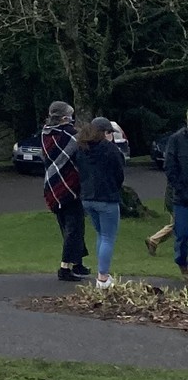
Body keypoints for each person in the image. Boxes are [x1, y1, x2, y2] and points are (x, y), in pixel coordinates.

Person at [40, 100, 90, 281]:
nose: (72, 119)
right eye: (70, 115)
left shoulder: (45, 133)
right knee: (74, 227)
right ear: (64, 117)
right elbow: (81, 149)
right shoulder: (70, 135)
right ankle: (65, 268)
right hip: (69, 185)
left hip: (51, 185)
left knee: (68, 225)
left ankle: (77, 263)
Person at [74, 117, 126, 289]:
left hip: (87, 198)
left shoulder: (82, 148)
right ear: (105, 132)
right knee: (108, 237)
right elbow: (119, 174)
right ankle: (103, 277)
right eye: (110, 132)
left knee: (100, 234)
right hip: (107, 198)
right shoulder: (111, 150)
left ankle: (101, 274)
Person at [154, 108, 188, 278]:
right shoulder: (176, 140)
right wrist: (180, 188)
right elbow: (170, 167)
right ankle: (182, 262)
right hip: (182, 197)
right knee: (182, 234)